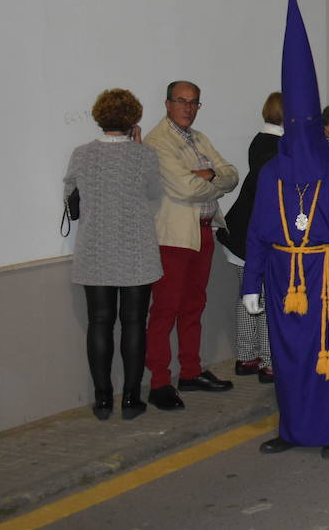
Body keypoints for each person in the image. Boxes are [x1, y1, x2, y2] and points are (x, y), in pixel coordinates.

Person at [242, 0, 329, 458]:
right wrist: (251, 284)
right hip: (280, 275)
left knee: (328, 352)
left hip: (324, 273)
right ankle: (293, 427)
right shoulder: (272, 171)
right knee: (289, 356)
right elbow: (257, 231)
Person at [64, 88, 163, 420]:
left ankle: (103, 400)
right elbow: (154, 198)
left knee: (99, 323)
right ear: (133, 119)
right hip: (137, 251)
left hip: (95, 250)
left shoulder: (81, 154)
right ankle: (132, 400)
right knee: (135, 322)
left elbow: (70, 195)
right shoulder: (144, 155)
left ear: (99, 117)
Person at [143, 80, 239, 411]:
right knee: (165, 309)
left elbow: (232, 175)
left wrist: (209, 174)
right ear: (167, 103)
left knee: (194, 305)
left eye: (194, 102)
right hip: (173, 236)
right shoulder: (157, 141)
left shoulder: (199, 139)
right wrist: (213, 179)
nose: (188, 108)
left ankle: (190, 371)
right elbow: (184, 189)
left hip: (203, 231)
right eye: (181, 101)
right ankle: (158, 383)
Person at [219, 92, 282, 384]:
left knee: (248, 295)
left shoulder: (260, 140)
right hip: (259, 235)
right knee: (269, 299)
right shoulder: (280, 147)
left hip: (240, 232)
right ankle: (270, 362)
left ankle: (247, 356)